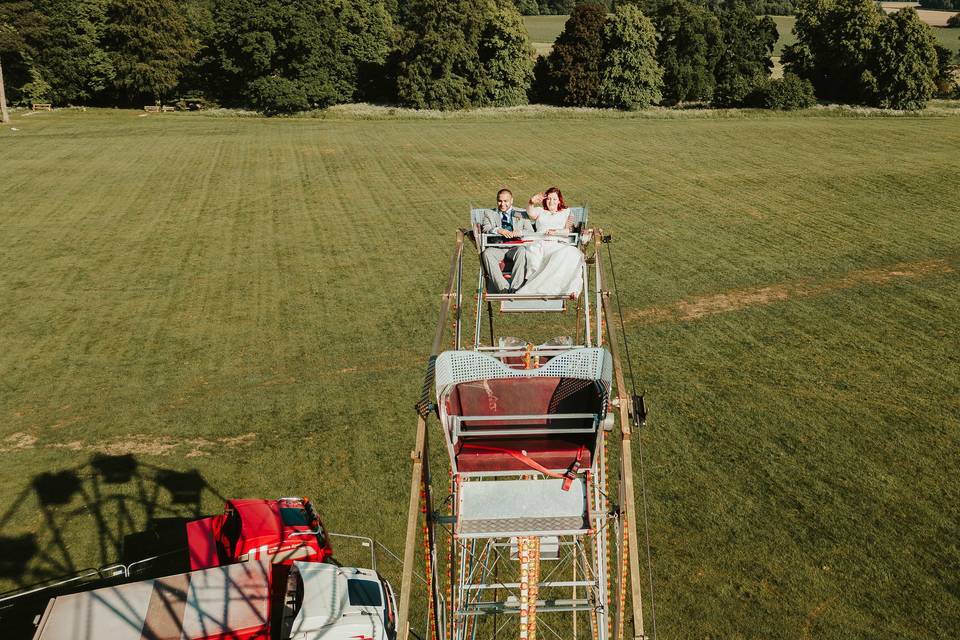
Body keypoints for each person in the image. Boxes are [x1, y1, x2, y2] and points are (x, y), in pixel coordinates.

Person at [515, 187, 584, 297]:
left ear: (559, 201)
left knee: (572, 253)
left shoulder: (566, 212)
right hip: (540, 241)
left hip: (557, 241)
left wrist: (556, 232)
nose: (551, 201)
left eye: (554, 199)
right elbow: (530, 213)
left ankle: (571, 289)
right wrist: (531, 202)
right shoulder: (540, 211)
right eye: (549, 199)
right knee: (534, 252)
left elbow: (568, 230)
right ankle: (535, 286)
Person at [481, 188, 535, 293]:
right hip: (498, 247)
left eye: (506, 201)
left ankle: (516, 288)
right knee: (487, 254)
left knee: (522, 252)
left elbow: (530, 231)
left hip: (515, 247)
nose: (502, 204)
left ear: (512, 201)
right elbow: (486, 229)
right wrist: (498, 230)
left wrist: (519, 232)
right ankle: (503, 288)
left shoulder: (521, 213)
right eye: (500, 201)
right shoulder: (489, 213)